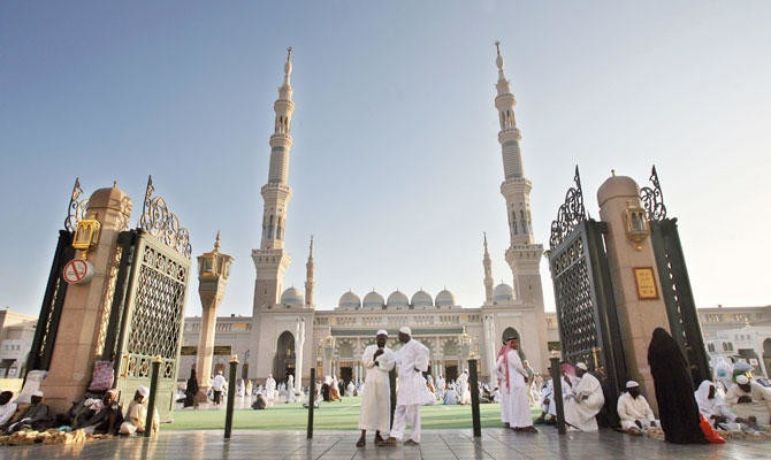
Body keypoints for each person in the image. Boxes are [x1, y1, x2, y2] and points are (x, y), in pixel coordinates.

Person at [647, 327, 706, 444]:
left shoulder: (653, 350)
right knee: (685, 406)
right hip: (681, 385)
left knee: (670, 409)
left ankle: (674, 434)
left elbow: (654, 370)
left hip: (665, 388)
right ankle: (691, 433)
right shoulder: (672, 347)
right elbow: (682, 364)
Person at [385, 326, 431, 446]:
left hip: (413, 383)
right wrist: (383, 354)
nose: (398, 338)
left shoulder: (415, 345)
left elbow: (425, 351)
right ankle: (394, 436)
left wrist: (418, 366)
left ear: (405, 335)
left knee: (413, 412)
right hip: (404, 384)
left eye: (400, 335)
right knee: (400, 408)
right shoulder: (404, 348)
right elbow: (395, 357)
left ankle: (415, 438)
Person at [356, 329, 396, 447]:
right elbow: (365, 362)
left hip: (383, 384)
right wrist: (374, 357)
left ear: (387, 339)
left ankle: (378, 435)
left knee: (382, 409)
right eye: (380, 337)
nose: (382, 340)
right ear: (376, 338)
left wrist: (380, 364)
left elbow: (390, 366)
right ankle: (362, 436)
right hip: (370, 383)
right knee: (367, 408)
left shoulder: (389, 352)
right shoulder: (369, 349)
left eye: (384, 338)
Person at [500, 333, 537, 432]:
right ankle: (525, 424)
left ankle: (517, 424)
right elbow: (518, 367)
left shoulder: (510, 354)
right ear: (511, 344)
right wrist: (526, 375)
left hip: (514, 382)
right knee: (522, 404)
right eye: (515, 343)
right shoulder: (512, 354)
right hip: (517, 383)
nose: (517, 344)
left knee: (517, 404)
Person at [563, 362, 604, 432]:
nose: (575, 372)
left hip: (594, 399)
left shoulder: (586, 377)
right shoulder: (584, 377)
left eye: (576, 370)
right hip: (591, 398)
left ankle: (575, 424)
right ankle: (577, 424)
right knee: (571, 401)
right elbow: (577, 392)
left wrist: (573, 395)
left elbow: (580, 392)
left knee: (572, 403)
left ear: (581, 370)